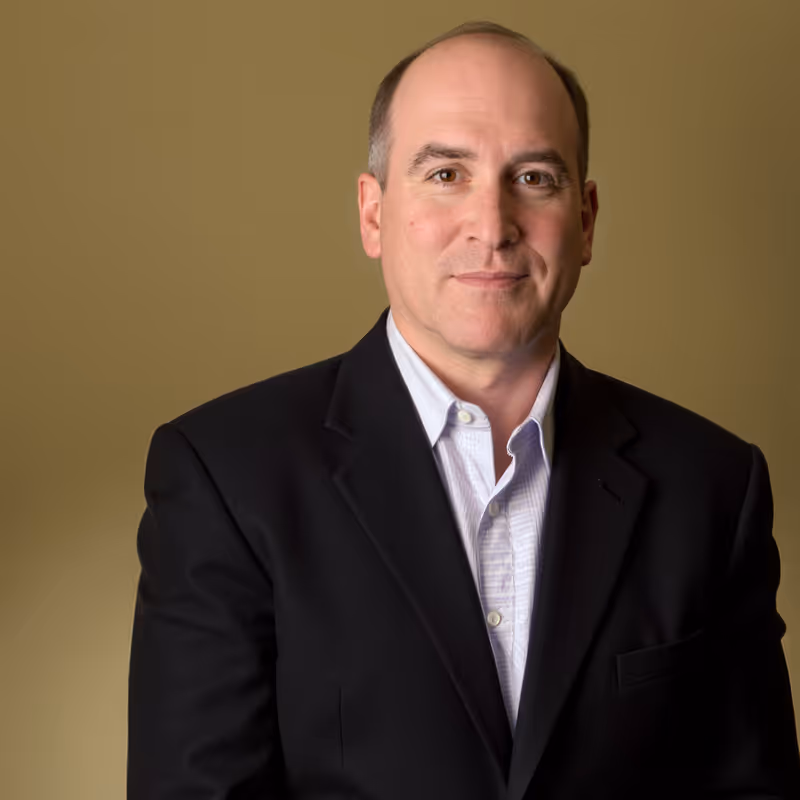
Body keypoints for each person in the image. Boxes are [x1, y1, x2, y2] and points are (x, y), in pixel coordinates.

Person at [127, 21, 800, 799]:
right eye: (446, 174)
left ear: (585, 220)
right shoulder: (226, 477)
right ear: (374, 214)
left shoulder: (712, 485)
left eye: (535, 178)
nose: (493, 224)